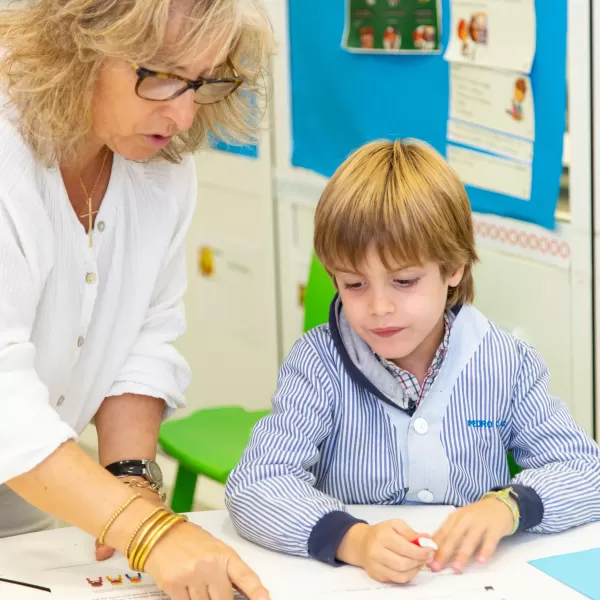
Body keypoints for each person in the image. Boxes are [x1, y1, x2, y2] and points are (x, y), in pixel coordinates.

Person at [225, 139, 600, 585]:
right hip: (354, 583)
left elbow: (584, 471)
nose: (379, 307)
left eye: (404, 281)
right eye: (355, 284)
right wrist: (354, 541)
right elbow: (255, 485)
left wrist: (508, 506)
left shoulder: (506, 362)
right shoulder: (318, 363)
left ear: (454, 267)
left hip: (471, 581)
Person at [0, 1, 274, 598]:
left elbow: (144, 338)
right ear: (73, 48)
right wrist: (151, 533)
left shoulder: (157, 164)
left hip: (32, 498)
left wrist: (129, 482)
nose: (180, 113)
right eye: (160, 75)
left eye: (198, 82)